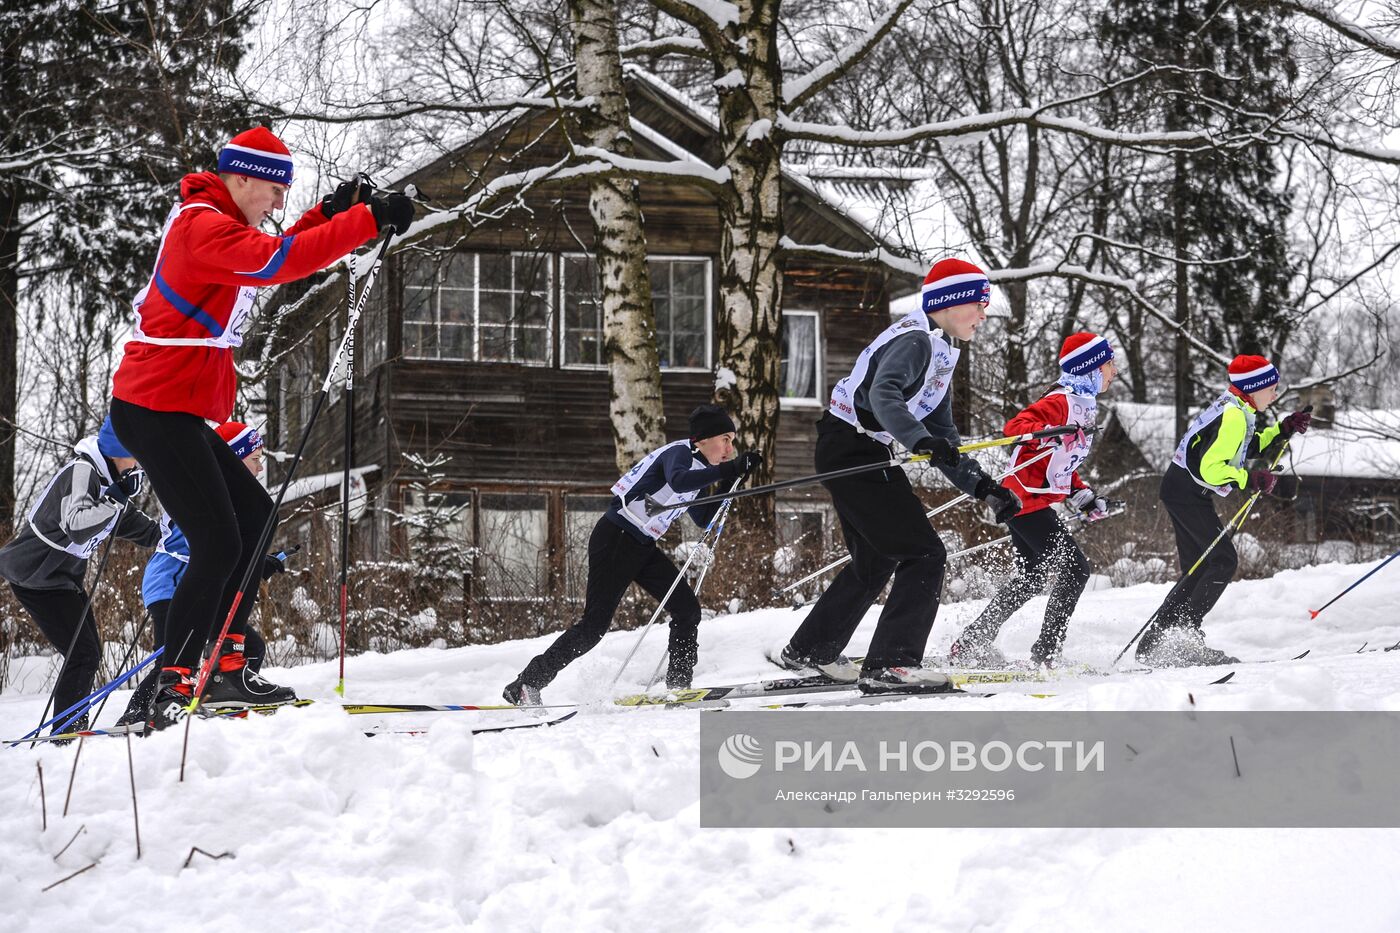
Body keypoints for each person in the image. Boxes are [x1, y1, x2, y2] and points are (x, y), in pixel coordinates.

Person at [107, 126, 415, 730]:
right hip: (152, 409)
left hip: (177, 410)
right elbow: (278, 263)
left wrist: (330, 212)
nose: (278, 205)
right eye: (274, 191)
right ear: (240, 178)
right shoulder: (201, 226)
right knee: (217, 541)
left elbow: (277, 250)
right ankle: (173, 683)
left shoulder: (225, 227)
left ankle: (224, 667)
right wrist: (367, 221)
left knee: (254, 520)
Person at [775, 257, 1021, 694]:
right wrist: (918, 440)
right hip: (854, 448)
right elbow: (883, 393)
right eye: (979, 305)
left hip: (847, 448)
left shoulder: (940, 349)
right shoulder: (915, 341)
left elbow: (943, 435)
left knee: (876, 559)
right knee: (924, 553)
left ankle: (811, 651)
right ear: (950, 303)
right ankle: (892, 665)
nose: (984, 316)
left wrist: (983, 487)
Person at [504, 405, 761, 705]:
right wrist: (730, 468)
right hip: (616, 538)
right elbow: (678, 481)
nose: (730, 448)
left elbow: (703, 517)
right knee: (593, 627)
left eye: (732, 442)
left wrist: (733, 481)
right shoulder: (679, 454)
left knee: (687, 609)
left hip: (642, 545)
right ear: (702, 439)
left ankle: (679, 688)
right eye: (725, 439)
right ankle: (526, 684)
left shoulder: (702, 470)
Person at [948, 332, 1116, 669]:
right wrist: (1053, 431)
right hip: (1024, 501)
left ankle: (970, 641)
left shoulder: (1084, 404)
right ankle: (1046, 652)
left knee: (1032, 577)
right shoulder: (1061, 401)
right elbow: (1016, 426)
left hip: (1032, 500)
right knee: (1076, 570)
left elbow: (1062, 464)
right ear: (1092, 367)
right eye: (1110, 363)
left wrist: (1083, 496)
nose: (1114, 370)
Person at [1136, 354, 1312, 666]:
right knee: (1222, 560)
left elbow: (1248, 446)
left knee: (1199, 566)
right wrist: (1249, 478)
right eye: (1272, 388)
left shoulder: (1236, 408)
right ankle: (1183, 636)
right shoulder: (1233, 416)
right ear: (1254, 388)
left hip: (1182, 490)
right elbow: (1210, 468)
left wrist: (1282, 429)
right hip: (1188, 491)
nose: (1275, 394)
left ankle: (1157, 640)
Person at [117, 422, 289, 724]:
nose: (260, 469)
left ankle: (222, 697)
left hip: (197, 589)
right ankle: (137, 713)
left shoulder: (233, 499)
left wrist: (260, 564)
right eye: (254, 459)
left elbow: (233, 555)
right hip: (170, 582)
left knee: (252, 647)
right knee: (174, 655)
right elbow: (210, 550)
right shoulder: (206, 493)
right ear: (232, 460)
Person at [0, 417, 161, 733]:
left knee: (88, 652)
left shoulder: (108, 479)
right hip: (35, 575)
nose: (139, 460)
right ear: (117, 450)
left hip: (59, 579)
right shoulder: (83, 471)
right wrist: (115, 498)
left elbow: (133, 525)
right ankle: (66, 732)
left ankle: (69, 726)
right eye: (134, 452)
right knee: (84, 653)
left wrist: (173, 536)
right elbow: (76, 525)